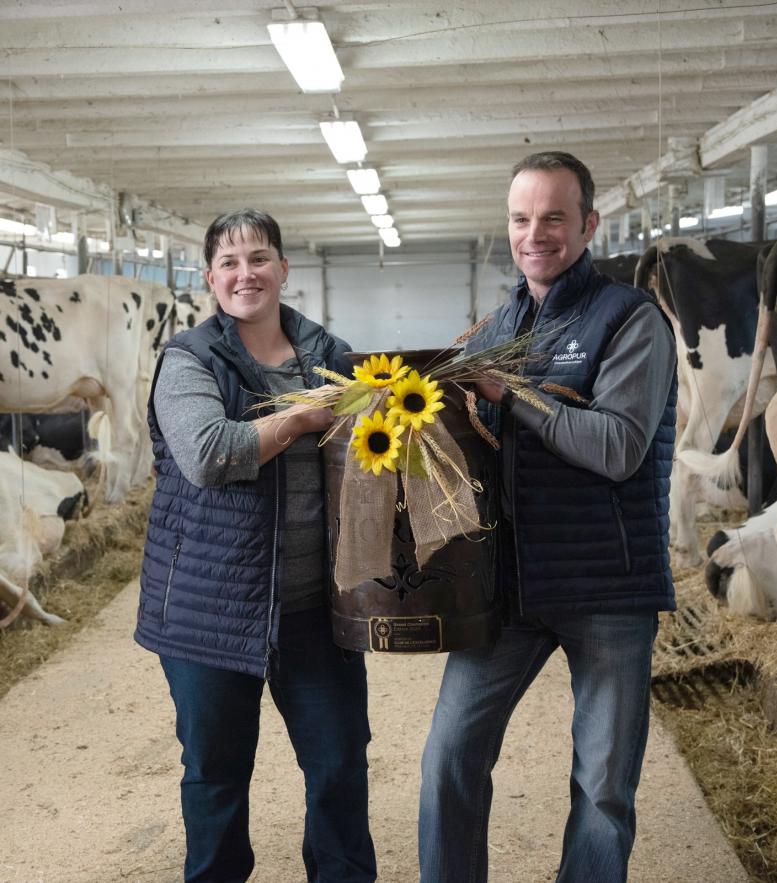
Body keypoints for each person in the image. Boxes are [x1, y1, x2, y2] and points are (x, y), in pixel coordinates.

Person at [418, 152, 678, 882]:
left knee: (601, 788)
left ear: (589, 224)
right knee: (450, 753)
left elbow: (619, 446)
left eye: (554, 217)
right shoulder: (497, 325)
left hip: (609, 590)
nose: (536, 234)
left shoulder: (631, 319)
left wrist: (511, 394)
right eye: (522, 219)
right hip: (512, 590)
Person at [134, 209, 376, 883]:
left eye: (260, 258)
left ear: (283, 269)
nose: (247, 274)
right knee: (215, 777)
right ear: (210, 277)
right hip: (210, 610)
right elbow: (209, 454)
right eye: (231, 262)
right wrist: (300, 419)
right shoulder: (190, 359)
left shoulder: (331, 354)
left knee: (339, 765)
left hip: (312, 611)